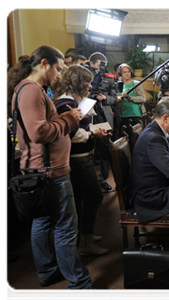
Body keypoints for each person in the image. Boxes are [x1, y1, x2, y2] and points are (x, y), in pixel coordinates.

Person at [5, 45, 112, 300]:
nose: (59, 74)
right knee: (66, 228)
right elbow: (39, 133)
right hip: (50, 170)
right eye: (58, 68)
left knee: (42, 221)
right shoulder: (31, 90)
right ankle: (80, 287)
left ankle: (48, 271)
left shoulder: (27, 88)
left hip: (43, 168)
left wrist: (64, 120)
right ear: (44, 64)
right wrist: (70, 119)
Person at [54, 65, 109, 256]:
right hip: (78, 158)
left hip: (81, 157)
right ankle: (85, 241)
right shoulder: (65, 103)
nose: (90, 86)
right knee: (95, 196)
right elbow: (71, 134)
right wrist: (91, 133)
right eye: (86, 82)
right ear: (76, 82)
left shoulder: (73, 100)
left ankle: (83, 236)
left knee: (81, 198)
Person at [87, 52, 117, 192]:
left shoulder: (109, 77)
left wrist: (105, 97)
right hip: (89, 114)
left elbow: (115, 97)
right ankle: (90, 181)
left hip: (105, 114)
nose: (102, 68)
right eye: (99, 65)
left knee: (105, 148)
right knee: (90, 148)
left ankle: (103, 178)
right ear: (91, 64)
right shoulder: (85, 76)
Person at [116, 63, 149, 128]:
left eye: (129, 72)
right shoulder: (118, 85)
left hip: (136, 115)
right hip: (123, 116)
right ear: (120, 74)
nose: (127, 74)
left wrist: (129, 97)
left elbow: (143, 98)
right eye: (124, 72)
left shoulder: (136, 83)